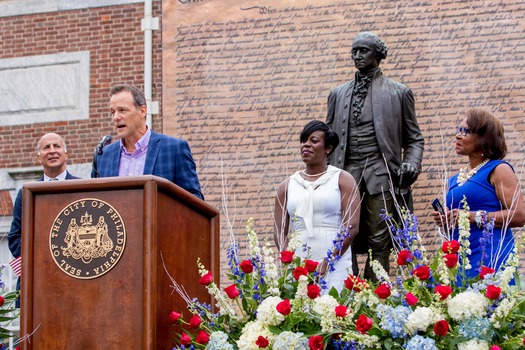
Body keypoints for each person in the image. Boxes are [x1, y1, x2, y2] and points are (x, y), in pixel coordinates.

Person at [326, 31, 424, 280]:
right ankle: (346, 295)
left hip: (382, 175)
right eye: (354, 51)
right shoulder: (337, 94)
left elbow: (414, 140)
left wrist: (411, 164)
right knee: (342, 236)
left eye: (363, 51)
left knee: (379, 240)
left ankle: (375, 300)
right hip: (344, 176)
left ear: (378, 55)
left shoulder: (399, 92)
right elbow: (327, 142)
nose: (356, 56)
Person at [433, 109, 525, 279]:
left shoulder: (498, 169)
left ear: (484, 138)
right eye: (458, 130)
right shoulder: (454, 180)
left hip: (489, 255)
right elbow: (456, 221)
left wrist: (472, 216)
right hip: (459, 260)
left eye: (465, 131)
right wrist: (445, 220)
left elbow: (519, 216)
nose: (458, 136)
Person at [274, 120, 360, 292]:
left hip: (335, 256)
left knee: (334, 308)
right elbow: (279, 229)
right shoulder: (287, 185)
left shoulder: (342, 179)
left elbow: (351, 226)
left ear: (328, 148)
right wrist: (289, 261)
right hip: (300, 258)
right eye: (303, 141)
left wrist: (328, 262)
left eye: (313, 141)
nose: (306, 145)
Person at [92, 84, 203, 200]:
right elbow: (94, 203)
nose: (116, 117)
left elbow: (195, 200)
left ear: (142, 111)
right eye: (112, 112)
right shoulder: (103, 156)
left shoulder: (174, 149)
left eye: (122, 110)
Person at [8, 132, 80, 306]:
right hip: (36, 282)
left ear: (66, 154)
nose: (52, 151)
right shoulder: (26, 193)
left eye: (57, 146)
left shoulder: (82, 189)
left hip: (74, 280)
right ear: (39, 157)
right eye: (46, 147)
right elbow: (14, 238)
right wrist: (41, 259)